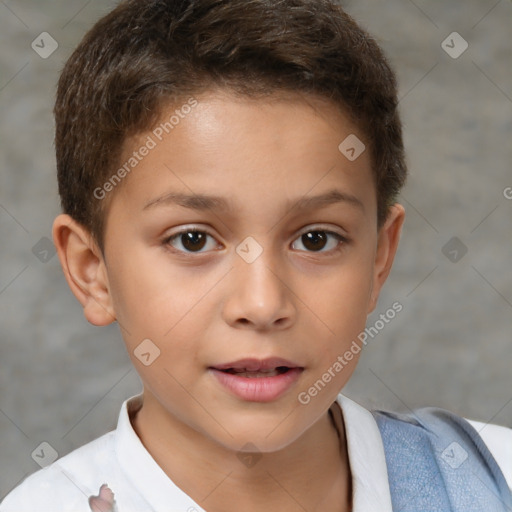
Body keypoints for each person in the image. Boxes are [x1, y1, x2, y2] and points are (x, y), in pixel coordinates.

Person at [1, 0, 511, 511]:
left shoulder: (494, 478)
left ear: (379, 258)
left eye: (315, 239)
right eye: (193, 240)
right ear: (94, 273)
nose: (263, 303)